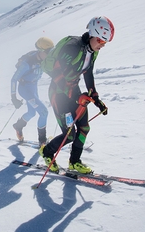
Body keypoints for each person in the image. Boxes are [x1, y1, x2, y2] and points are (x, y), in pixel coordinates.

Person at [39, 16, 114, 173]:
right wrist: (77, 97)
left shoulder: (92, 51)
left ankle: (74, 161)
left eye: (105, 43)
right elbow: (59, 76)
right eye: (101, 40)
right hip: (59, 94)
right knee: (70, 134)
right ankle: (46, 152)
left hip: (74, 92)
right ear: (92, 34)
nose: (103, 45)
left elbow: (88, 73)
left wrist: (96, 99)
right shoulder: (72, 47)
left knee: (84, 128)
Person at [11, 37, 54, 145]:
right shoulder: (27, 63)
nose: (50, 55)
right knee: (44, 112)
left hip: (33, 88)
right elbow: (14, 79)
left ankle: (18, 126)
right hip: (25, 89)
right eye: (48, 52)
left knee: (31, 112)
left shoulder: (45, 59)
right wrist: (14, 98)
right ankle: (42, 141)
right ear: (40, 51)